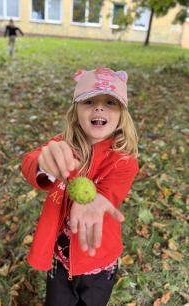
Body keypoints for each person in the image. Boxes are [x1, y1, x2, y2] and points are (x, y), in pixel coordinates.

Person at [21, 67, 139, 306]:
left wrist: (98, 200)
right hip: (60, 259)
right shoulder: (61, 146)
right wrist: (45, 163)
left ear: (121, 116)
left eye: (109, 102)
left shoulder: (124, 162)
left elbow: (109, 193)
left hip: (99, 261)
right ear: (76, 112)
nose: (99, 107)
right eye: (89, 101)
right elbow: (31, 163)